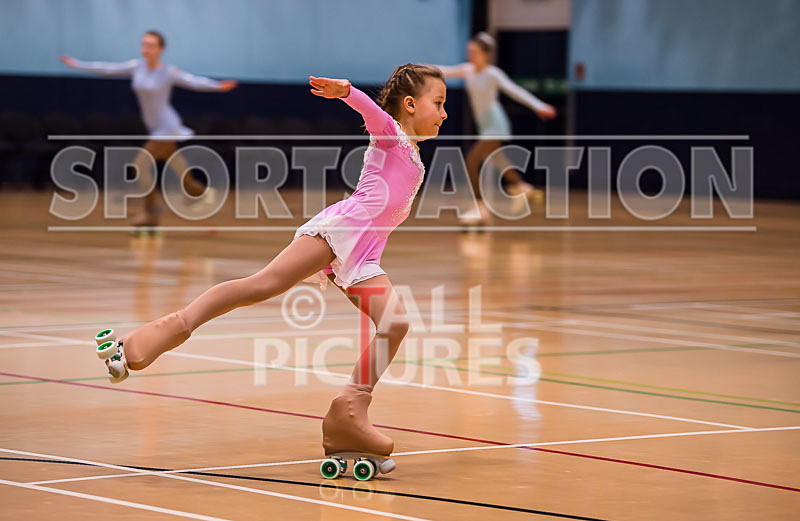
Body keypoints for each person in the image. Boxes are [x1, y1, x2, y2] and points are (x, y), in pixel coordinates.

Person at [92, 64, 448, 477]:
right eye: (438, 103)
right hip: (337, 235)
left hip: (364, 256)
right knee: (261, 286)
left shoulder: (414, 153)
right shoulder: (390, 135)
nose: (443, 114)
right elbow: (372, 112)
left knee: (395, 323)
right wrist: (347, 91)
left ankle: (348, 416)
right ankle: (145, 340)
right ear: (409, 105)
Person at [60, 30, 237, 228]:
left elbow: (192, 81)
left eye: (151, 45)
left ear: (161, 49)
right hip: (154, 128)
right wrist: (77, 64)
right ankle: (202, 194)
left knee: (140, 166)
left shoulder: (168, 72)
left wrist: (218, 86)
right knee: (180, 172)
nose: (146, 49)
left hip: (168, 127)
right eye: (144, 44)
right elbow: (108, 69)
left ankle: (150, 215)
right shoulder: (137, 67)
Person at [433, 32, 556, 226]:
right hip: (484, 126)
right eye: (469, 51)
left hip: (496, 125)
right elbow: (444, 71)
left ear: (485, 54)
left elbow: (515, 91)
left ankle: (480, 208)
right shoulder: (468, 70)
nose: (471, 55)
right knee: (499, 159)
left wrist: (539, 106)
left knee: (472, 162)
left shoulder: (493, 74)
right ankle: (521, 186)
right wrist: (415, 68)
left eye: (474, 52)